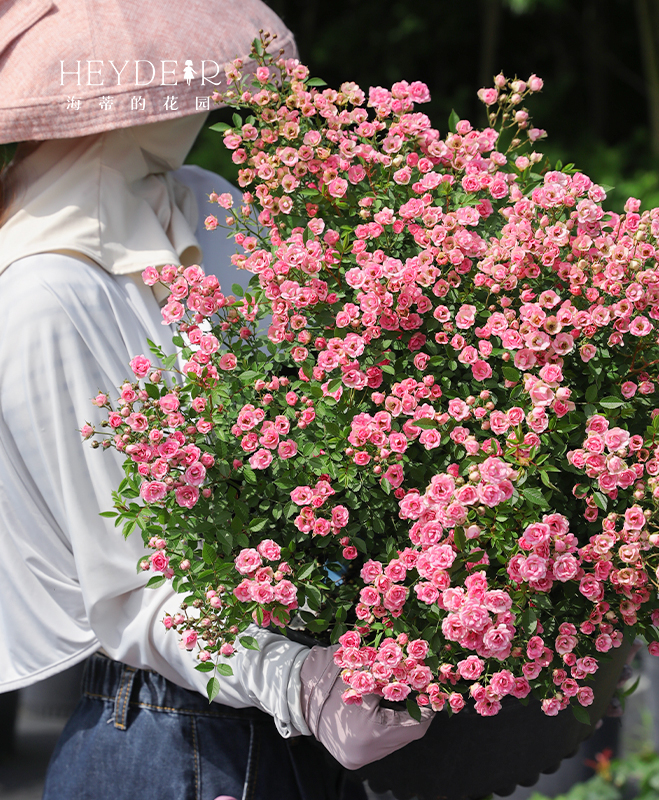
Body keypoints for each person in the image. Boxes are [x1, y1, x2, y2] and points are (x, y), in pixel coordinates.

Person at [0, 2, 431, 798]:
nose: (199, 93)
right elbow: (126, 589)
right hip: (168, 737)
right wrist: (296, 679)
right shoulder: (45, 294)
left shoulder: (204, 207)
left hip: (293, 729)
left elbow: (316, 423)